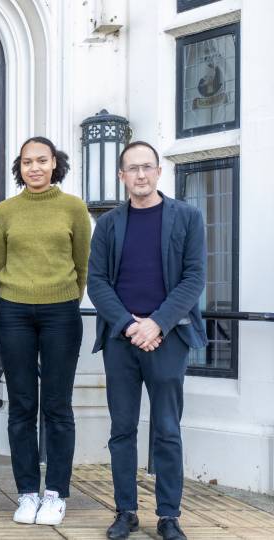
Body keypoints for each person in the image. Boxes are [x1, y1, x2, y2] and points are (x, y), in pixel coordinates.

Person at [88, 141, 206, 540]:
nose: (140, 174)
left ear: (158, 171)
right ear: (121, 176)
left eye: (147, 167)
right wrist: (129, 325)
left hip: (168, 339)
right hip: (121, 341)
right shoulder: (108, 225)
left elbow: (194, 278)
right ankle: (126, 511)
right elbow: (97, 282)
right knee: (122, 429)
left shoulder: (188, 217)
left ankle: (169, 516)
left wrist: (156, 324)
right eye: (132, 168)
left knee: (167, 429)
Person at [0, 137, 91, 526]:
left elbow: (82, 262)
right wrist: (21, 291)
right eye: (27, 161)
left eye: (41, 160)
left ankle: (56, 494)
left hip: (61, 312)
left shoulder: (73, 207)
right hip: (14, 311)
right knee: (20, 405)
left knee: (57, 405)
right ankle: (28, 493)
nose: (34, 167)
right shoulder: (5, 211)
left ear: (54, 164)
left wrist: (62, 296)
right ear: (20, 167)